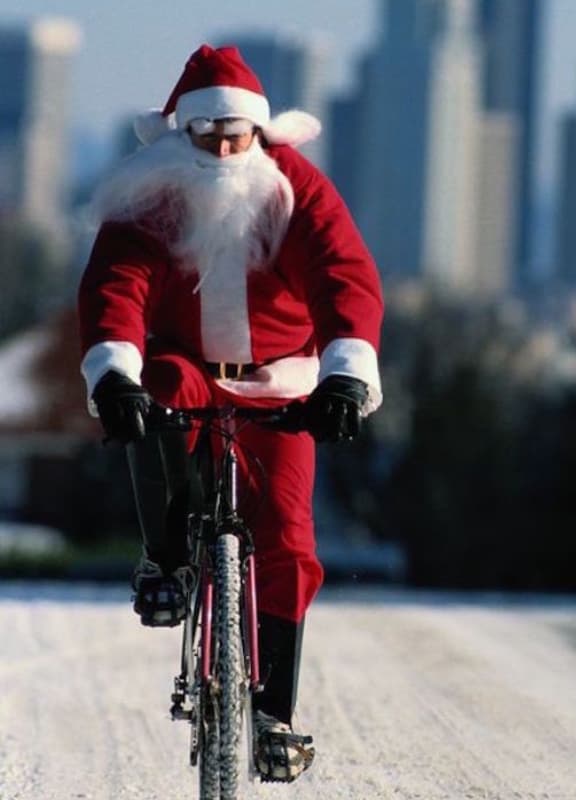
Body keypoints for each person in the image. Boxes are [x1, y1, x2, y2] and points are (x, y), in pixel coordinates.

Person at [77, 44, 383, 783]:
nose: (220, 150)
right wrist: (115, 373)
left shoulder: (298, 190)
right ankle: (169, 560)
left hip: (280, 379)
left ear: (260, 134)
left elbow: (345, 277)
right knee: (155, 394)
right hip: (186, 367)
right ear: (180, 135)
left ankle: (273, 714)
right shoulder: (152, 195)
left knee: (289, 538)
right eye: (205, 136)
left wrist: (344, 374)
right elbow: (116, 283)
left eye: (234, 137)